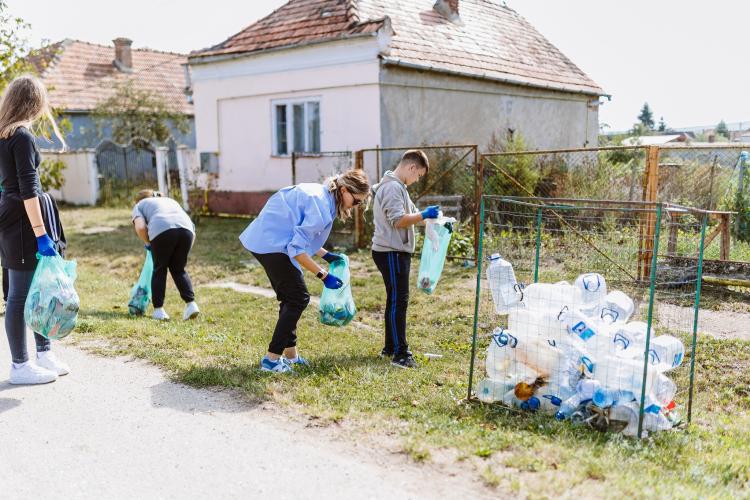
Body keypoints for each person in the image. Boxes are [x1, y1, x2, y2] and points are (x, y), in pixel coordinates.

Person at [240, 169, 371, 373]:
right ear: (344, 190)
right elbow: (297, 249)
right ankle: (271, 360)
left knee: (291, 298)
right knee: (298, 298)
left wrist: (325, 255)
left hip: (270, 238)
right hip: (271, 243)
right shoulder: (321, 204)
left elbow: (300, 232)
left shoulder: (323, 195)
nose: (356, 206)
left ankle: (291, 357)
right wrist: (323, 274)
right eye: (356, 201)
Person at [0, 74, 70, 384]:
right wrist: (42, 234)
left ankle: (43, 353)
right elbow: (29, 190)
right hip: (24, 222)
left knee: (38, 289)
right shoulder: (23, 136)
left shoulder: (3, 134)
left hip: (10, 218)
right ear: (35, 102)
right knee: (19, 296)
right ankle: (20, 366)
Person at [371, 150, 439, 369]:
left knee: (395, 300)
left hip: (394, 251)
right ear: (412, 167)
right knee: (399, 302)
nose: (417, 179)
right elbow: (399, 220)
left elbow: (411, 214)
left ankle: (390, 348)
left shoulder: (398, 186)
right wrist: (424, 215)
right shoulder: (392, 187)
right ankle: (401, 354)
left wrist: (430, 220)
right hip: (390, 251)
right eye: (419, 175)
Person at [132, 189, 199, 321]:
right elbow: (191, 226)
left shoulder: (139, 205)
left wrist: (148, 242)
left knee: (160, 269)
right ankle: (191, 305)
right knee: (179, 269)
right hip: (187, 232)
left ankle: (158, 311)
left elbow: (140, 227)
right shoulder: (170, 201)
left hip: (162, 230)